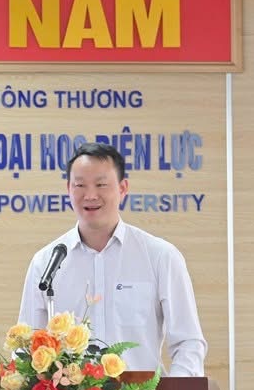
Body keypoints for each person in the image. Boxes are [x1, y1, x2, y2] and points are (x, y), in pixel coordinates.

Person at [18, 142, 207, 376]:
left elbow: (188, 343)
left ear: (122, 188)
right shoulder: (45, 263)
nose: (90, 195)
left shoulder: (160, 256)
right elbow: (25, 348)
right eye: (80, 185)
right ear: (68, 189)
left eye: (101, 185)